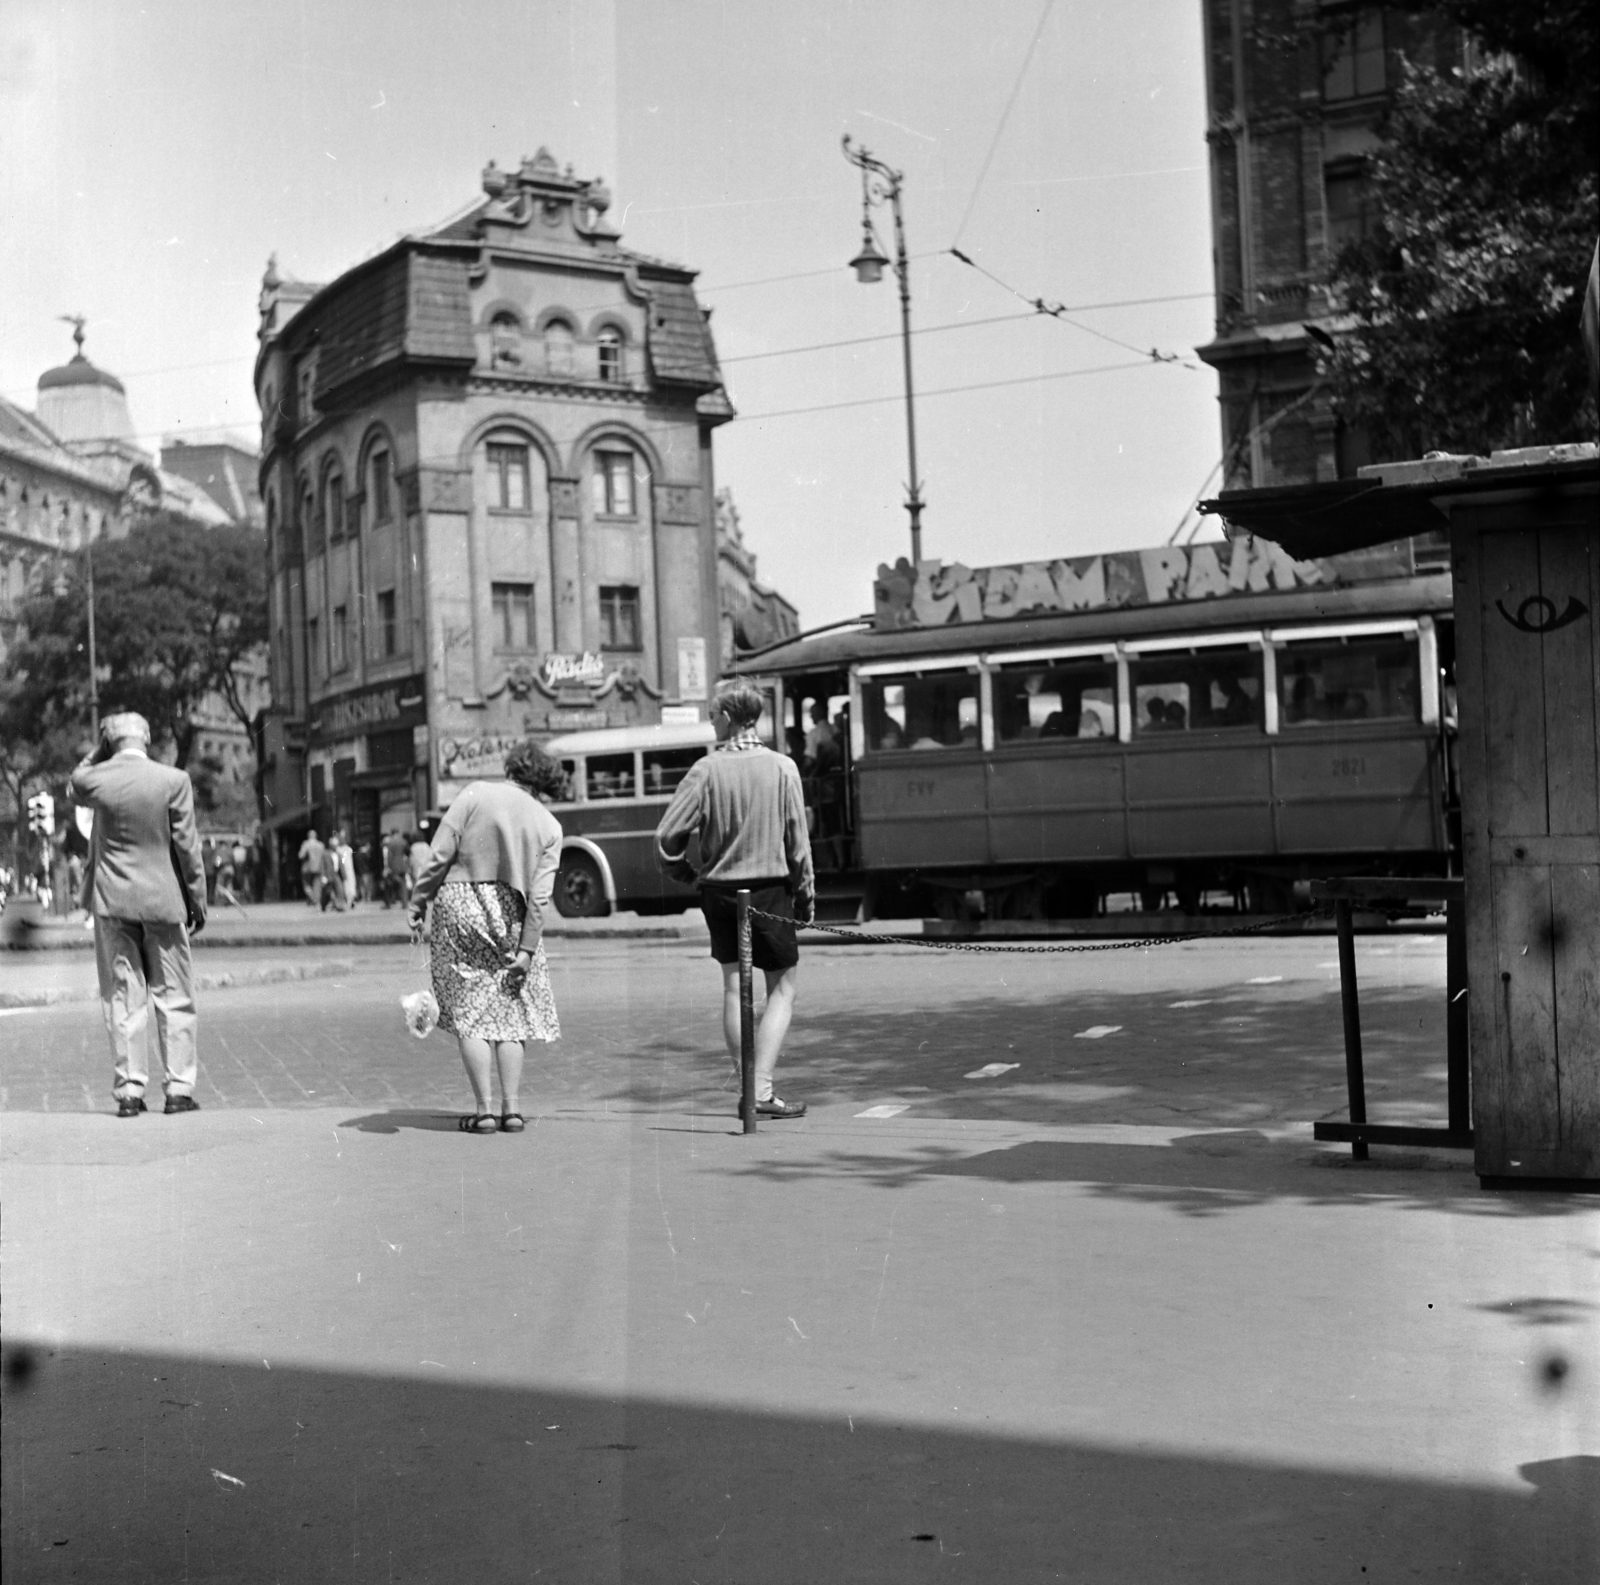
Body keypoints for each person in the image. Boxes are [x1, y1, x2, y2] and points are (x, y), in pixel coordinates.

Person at [656, 682, 815, 1119]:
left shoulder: (705, 771)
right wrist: (805, 897)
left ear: (728, 716)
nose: (710, 720)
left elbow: (666, 837)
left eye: (712, 713)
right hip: (769, 889)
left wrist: (688, 874)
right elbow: (798, 844)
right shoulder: (782, 767)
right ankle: (760, 1089)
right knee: (782, 988)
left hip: (720, 891)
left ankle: (748, 1086)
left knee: (732, 987)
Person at [409, 742, 564, 1134]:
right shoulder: (549, 824)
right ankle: (512, 1110)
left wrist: (418, 900)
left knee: (470, 1013)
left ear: (512, 768)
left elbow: (440, 854)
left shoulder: (474, 793)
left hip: (460, 906)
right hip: (512, 912)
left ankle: (483, 1112)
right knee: (510, 1011)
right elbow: (541, 897)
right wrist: (527, 951)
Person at [69, 712, 207, 1118]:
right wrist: (196, 898)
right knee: (175, 996)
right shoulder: (173, 780)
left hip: (113, 904)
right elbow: (187, 846)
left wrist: (100, 750)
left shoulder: (98, 779)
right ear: (147, 737)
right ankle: (178, 1089)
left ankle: (130, 1091)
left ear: (109, 741)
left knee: (123, 998)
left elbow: (76, 779)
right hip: (164, 901)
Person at [299, 828, 326, 908]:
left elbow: (301, 855)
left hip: (308, 868)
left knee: (306, 884)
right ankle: (316, 900)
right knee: (316, 884)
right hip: (318, 867)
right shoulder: (321, 845)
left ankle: (313, 898)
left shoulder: (306, 844)